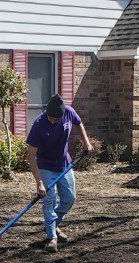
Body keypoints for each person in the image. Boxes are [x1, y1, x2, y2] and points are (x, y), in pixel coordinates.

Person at [26, 94, 93, 253]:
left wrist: (86, 143)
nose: (52, 121)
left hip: (64, 164)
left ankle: (53, 225)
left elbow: (79, 123)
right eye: (50, 117)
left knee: (70, 198)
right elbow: (30, 155)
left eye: (56, 119)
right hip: (45, 166)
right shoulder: (39, 124)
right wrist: (39, 182)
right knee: (49, 201)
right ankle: (51, 238)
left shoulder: (69, 112)